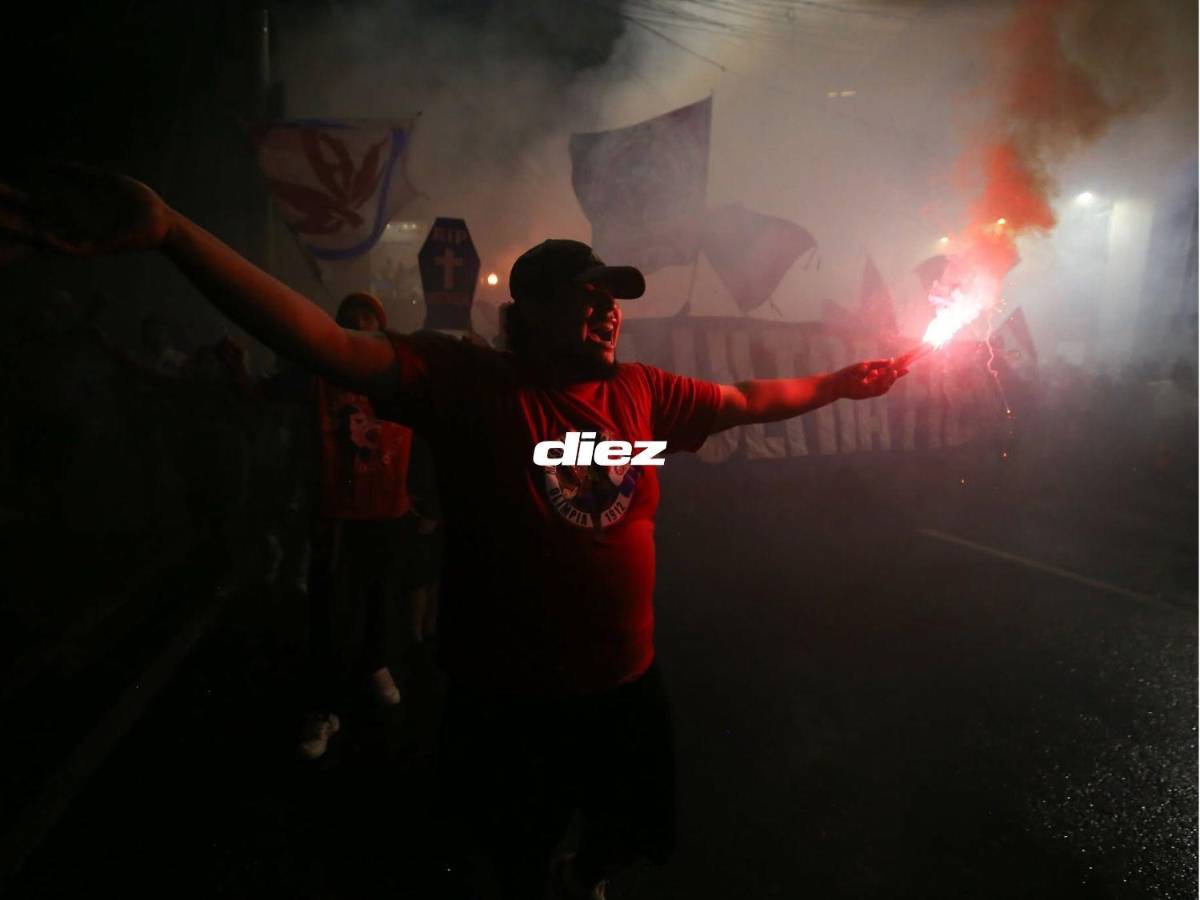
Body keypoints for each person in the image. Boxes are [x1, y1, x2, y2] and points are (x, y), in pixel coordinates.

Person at [0, 167, 907, 899]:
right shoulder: (469, 382)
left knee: (633, 832)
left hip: (625, 682)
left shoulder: (643, 390)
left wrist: (840, 384)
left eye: (613, 297)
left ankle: (583, 875)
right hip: (508, 695)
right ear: (529, 312)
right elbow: (324, 343)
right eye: (586, 296)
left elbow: (747, 398)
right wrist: (170, 233)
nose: (608, 309)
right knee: (510, 855)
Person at [261, 290, 439, 760]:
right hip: (338, 515)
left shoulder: (397, 377)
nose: (360, 324)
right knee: (330, 612)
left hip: (389, 512)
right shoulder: (319, 374)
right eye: (351, 318)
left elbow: (427, 430)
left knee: (381, 598)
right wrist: (238, 372)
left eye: (368, 317)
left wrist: (425, 501)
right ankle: (323, 707)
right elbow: (265, 393)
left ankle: (375, 663)